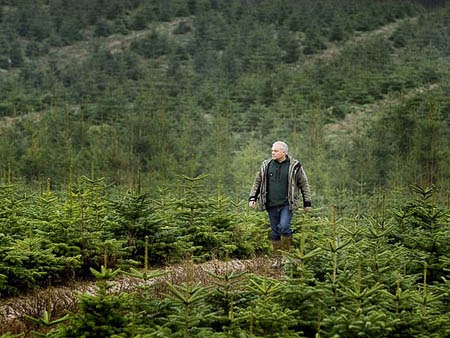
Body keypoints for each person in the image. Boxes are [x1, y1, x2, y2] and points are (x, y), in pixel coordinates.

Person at [249, 141, 311, 264]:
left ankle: (287, 255)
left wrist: (307, 202)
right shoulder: (266, 165)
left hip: (287, 204)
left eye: (275, 151)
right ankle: (277, 259)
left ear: (284, 152)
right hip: (270, 204)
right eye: (272, 150)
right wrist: (252, 198)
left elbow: (304, 184)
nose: (272, 153)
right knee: (275, 232)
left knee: (283, 227)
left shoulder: (295, 166)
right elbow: (257, 182)